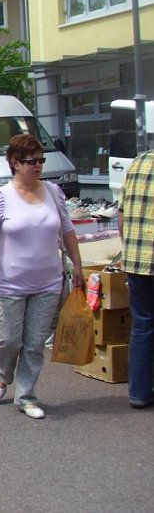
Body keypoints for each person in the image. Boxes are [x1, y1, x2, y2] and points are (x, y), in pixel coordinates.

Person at [0, 133, 83, 420]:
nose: (37, 166)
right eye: (30, 161)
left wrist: (78, 267)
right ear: (13, 162)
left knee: (34, 344)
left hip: (48, 282)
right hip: (10, 283)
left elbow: (68, 232)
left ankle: (26, 396)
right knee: (9, 340)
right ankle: (2, 374)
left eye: (40, 160)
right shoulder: (0, 197)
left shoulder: (54, 193)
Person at [118, 150, 154, 409]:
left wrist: (129, 248)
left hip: (136, 259)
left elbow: (121, 213)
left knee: (142, 325)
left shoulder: (139, 162)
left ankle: (139, 392)